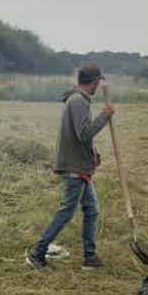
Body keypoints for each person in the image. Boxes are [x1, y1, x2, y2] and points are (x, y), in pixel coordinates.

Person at [27, 64, 115, 271]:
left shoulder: (79, 100)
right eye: (97, 81)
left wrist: (93, 151)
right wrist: (104, 116)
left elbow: (80, 136)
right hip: (74, 166)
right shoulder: (78, 102)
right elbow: (83, 132)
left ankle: (90, 257)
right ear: (93, 81)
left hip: (81, 165)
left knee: (92, 211)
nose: (98, 85)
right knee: (66, 212)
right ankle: (37, 254)